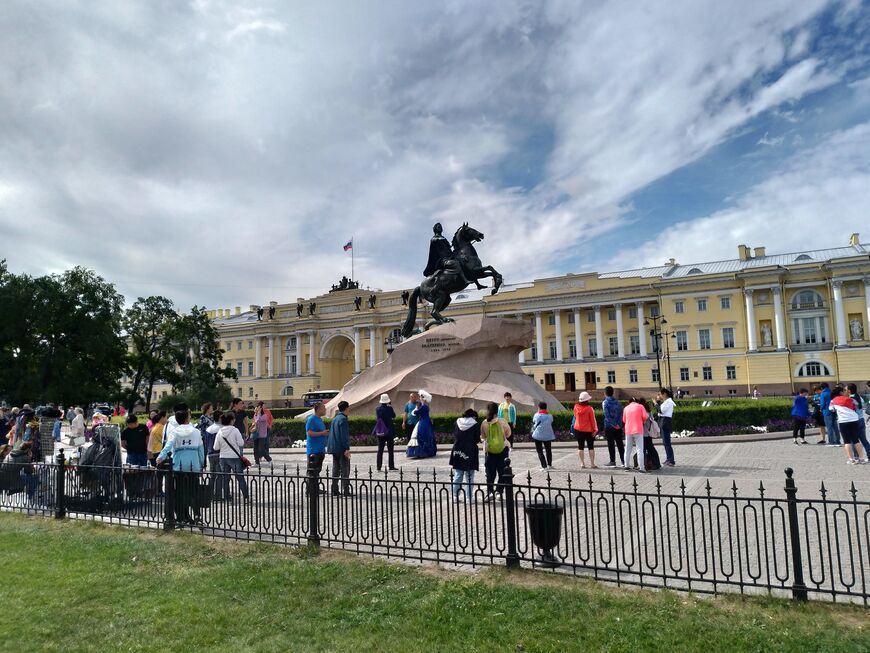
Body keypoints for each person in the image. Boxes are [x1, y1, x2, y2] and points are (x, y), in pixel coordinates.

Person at [156, 408, 205, 524]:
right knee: (194, 492)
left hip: (179, 466)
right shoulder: (196, 432)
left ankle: (182, 517)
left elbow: (168, 446)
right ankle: (197, 516)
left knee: (180, 492)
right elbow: (201, 450)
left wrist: (161, 457)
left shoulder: (175, 432)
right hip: (194, 465)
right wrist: (201, 464)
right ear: (188, 418)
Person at [213, 412, 250, 504]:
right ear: (231, 420)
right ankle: (246, 497)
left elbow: (215, 447)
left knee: (225, 479)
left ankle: (227, 498)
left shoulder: (220, 432)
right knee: (240, 478)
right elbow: (241, 443)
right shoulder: (235, 430)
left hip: (223, 458)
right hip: (234, 457)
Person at [481, 402, 511, 501]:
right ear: (497, 411)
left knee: (490, 472)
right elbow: (508, 433)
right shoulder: (502, 421)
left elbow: (483, 436)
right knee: (502, 471)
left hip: (489, 451)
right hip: (503, 449)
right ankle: (499, 491)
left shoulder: (485, 423)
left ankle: (489, 492)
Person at [450, 408, 480, 502]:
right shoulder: (474, 424)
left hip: (458, 449)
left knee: (458, 474)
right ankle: (469, 497)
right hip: (470, 450)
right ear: (473, 416)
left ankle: (455, 496)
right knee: (469, 475)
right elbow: (476, 438)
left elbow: (455, 434)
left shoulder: (457, 422)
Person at [830, 386, 864, 464]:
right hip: (854, 420)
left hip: (843, 421)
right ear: (841, 392)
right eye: (844, 391)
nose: (845, 392)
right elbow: (856, 405)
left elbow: (831, 409)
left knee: (847, 441)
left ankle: (851, 459)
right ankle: (861, 458)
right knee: (856, 440)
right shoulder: (850, 399)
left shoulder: (833, 401)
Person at [327, 401, 352, 496]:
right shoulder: (343, 419)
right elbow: (344, 436)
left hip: (334, 448)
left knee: (335, 469)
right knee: (345, 469)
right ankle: (346, 490)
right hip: (341, 448)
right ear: (346, 408)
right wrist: (346, 448)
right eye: (348, 408)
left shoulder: (335, 418)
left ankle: (334, 490)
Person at [572, 391, 598, 469]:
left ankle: (582, 463)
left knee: (580, 447)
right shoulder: (589, 408)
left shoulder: (576, 407)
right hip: (588, 430)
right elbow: (593, 420)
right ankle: (592, 464)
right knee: (591, 447)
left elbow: (575, 416)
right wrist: (595, 430)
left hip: (578, 429)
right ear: (587, 400)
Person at [406, 390, 436, 458]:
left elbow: (415, 413)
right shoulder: (425, 406)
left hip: (423, 422)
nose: (419, 398)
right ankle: (427, 451)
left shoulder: (423, 406)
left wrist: (416, 408)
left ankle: (421, 452)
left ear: (422, 398)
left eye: (420, 397)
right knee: (426, 435)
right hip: (426, 422)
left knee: (420, 435)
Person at [622, 398, 649, 473]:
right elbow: (645, 417)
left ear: (629, 402)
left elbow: (624, 420)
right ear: (636, 401)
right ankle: (641, 468)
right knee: (640, 449)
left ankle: (626, 466)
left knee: (627, 449)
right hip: (638, 430)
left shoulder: (626, 408)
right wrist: (641, 421)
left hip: (628, 430)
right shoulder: (640, 406)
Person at [203, 409, 224, 501]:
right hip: (219, 454)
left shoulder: (209, 428)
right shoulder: (221, 429)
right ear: (219, 418)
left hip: (210, 454)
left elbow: (205, 443)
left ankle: (210, 494)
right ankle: (218, 495)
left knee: (212, 475)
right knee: (219, 476)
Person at [847, 383, 870, 463]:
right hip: (861, 419)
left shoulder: (850, 399)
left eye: (846, 389)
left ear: (849, 390)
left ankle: (857, 457)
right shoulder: (859, 397)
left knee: (854, 440)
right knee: (864, 440)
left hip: (854, 421)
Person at [602, 386, 624, 468]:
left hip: (609, 426)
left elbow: (607, 416)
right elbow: (621, 414)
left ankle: (612, 461)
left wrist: (614, 424)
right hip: (618, 427)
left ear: (605, 393)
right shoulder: (618, 402)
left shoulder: (605, 402)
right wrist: (618, 424)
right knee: (620, 444)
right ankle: (623, 461)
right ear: (613, 393)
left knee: (610, 444)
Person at [305, 402, 329, 477]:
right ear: (318, 409)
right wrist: (322, 433)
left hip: (321, 449)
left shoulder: (320, 420)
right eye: (323, 408)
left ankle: (316, 488)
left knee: (317, 471)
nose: (325, 409)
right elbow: (309, 433)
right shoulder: (311, 419)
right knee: (312, 472)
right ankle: (310, 488)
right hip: (313, 450)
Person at [374, 394, 397, 471]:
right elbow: (394, 416)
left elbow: (378, 418)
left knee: (380, 450)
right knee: (390, 450)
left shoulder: (378, 409)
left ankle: (378, 466)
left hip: (381, 431)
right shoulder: (390, 409)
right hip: (389, 431)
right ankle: (391, 466)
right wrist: (390, 405)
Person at [531, 401, 555, 470]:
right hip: (548, 435)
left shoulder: (537, 415)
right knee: (548, 450)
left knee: (540, 451)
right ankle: (549, 465)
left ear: (539, 407)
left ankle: (544, 466)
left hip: (538, 435)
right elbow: (551, 421)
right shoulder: (550, 416)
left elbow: (534, 421)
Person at [656, 388, 676, 466]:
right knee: (665, 442)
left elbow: (661, 411)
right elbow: (659, 411)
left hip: (665, 422)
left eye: (660, 394)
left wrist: (656, 403)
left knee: (667, 442)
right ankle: (668, 458)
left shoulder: (669, 402)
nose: (659, 396)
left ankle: (671, 460)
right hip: (663, 421)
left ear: (664, 394)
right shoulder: (666, 402)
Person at [252, 402, 273, 466]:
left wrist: (257, 414)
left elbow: (258, 420)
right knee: (255, 449)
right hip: (256, 434)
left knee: (262, 449)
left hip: (262, 434)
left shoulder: (264, 416)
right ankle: (257, 462)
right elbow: (254, 421)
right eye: (257, 408)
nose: (257, 409)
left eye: (258, 408)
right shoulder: (255, 415)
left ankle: (269, 459)